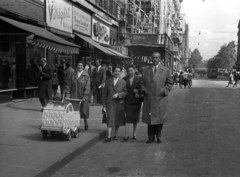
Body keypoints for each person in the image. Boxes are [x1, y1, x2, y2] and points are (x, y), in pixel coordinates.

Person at [141, 52, 173, 144]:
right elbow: (142, 83)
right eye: (153, 58)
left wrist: (164, 90)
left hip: (160, 98)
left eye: (156, 58)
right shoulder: (145, 69)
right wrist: (144, 90)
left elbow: (170, 83)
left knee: (159, 118)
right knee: (150, 119)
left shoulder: (165, 70)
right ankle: (150, 137)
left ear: (160, 58)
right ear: (151, 59)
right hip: (149, 98)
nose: (154, 59)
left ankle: (159, 136)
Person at [102, 65, 127, 143]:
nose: (117, 73)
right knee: (110, 120)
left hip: (119, 104)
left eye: (118, 71)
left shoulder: (123, 82)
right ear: (113, 72)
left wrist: (119, 95)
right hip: (110, 103)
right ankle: (109, 136)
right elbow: (104, 94)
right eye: (115, 71)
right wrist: (103, 105)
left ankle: (115, 134)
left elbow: (125, 92)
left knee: (117, 119)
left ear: (120, 73)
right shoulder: (108, 81)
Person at [65, 61, 90, 131]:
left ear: (83, 67)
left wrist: (85, 96)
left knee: (84, 110)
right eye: (78, 65)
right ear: (76, 66)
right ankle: (76, 125)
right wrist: (67, 95)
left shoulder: (86, 76)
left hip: (83, 96)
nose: (80, 67)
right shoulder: (72, 75)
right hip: (74, 96)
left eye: (81, 65)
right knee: (75, 111)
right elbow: (68, 85)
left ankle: (85, 122)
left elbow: (87, 87)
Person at [123, 65, 143, 141]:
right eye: (129, 71)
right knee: (128, 117)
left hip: (137, 100)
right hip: (127, 100)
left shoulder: (139, 78)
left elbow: (143, 88)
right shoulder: (124, 79)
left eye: (132, 70)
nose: (130, 72)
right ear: (127, 72)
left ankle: (134, 134)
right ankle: (126, 134)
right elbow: (122, 89)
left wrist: (138, 91)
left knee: (135, 118)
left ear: (134, 71)